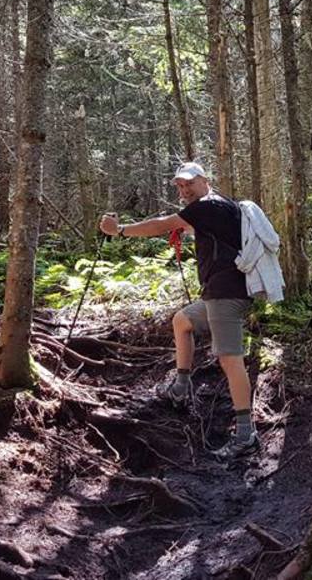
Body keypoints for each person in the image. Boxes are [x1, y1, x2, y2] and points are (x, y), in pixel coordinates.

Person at [99, 162, 258, 460]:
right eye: (181, 186)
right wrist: (186, 227)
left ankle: (246, 434)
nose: (185, 190)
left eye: (190, 184)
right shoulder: (220, 204)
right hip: (222, 292)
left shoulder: (207, 205)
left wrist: (119, 230)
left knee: (230, 359)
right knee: (182, 321)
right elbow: (212, 231)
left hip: (226, 293)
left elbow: (160, 224)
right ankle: (181, 388)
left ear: (204, 181)